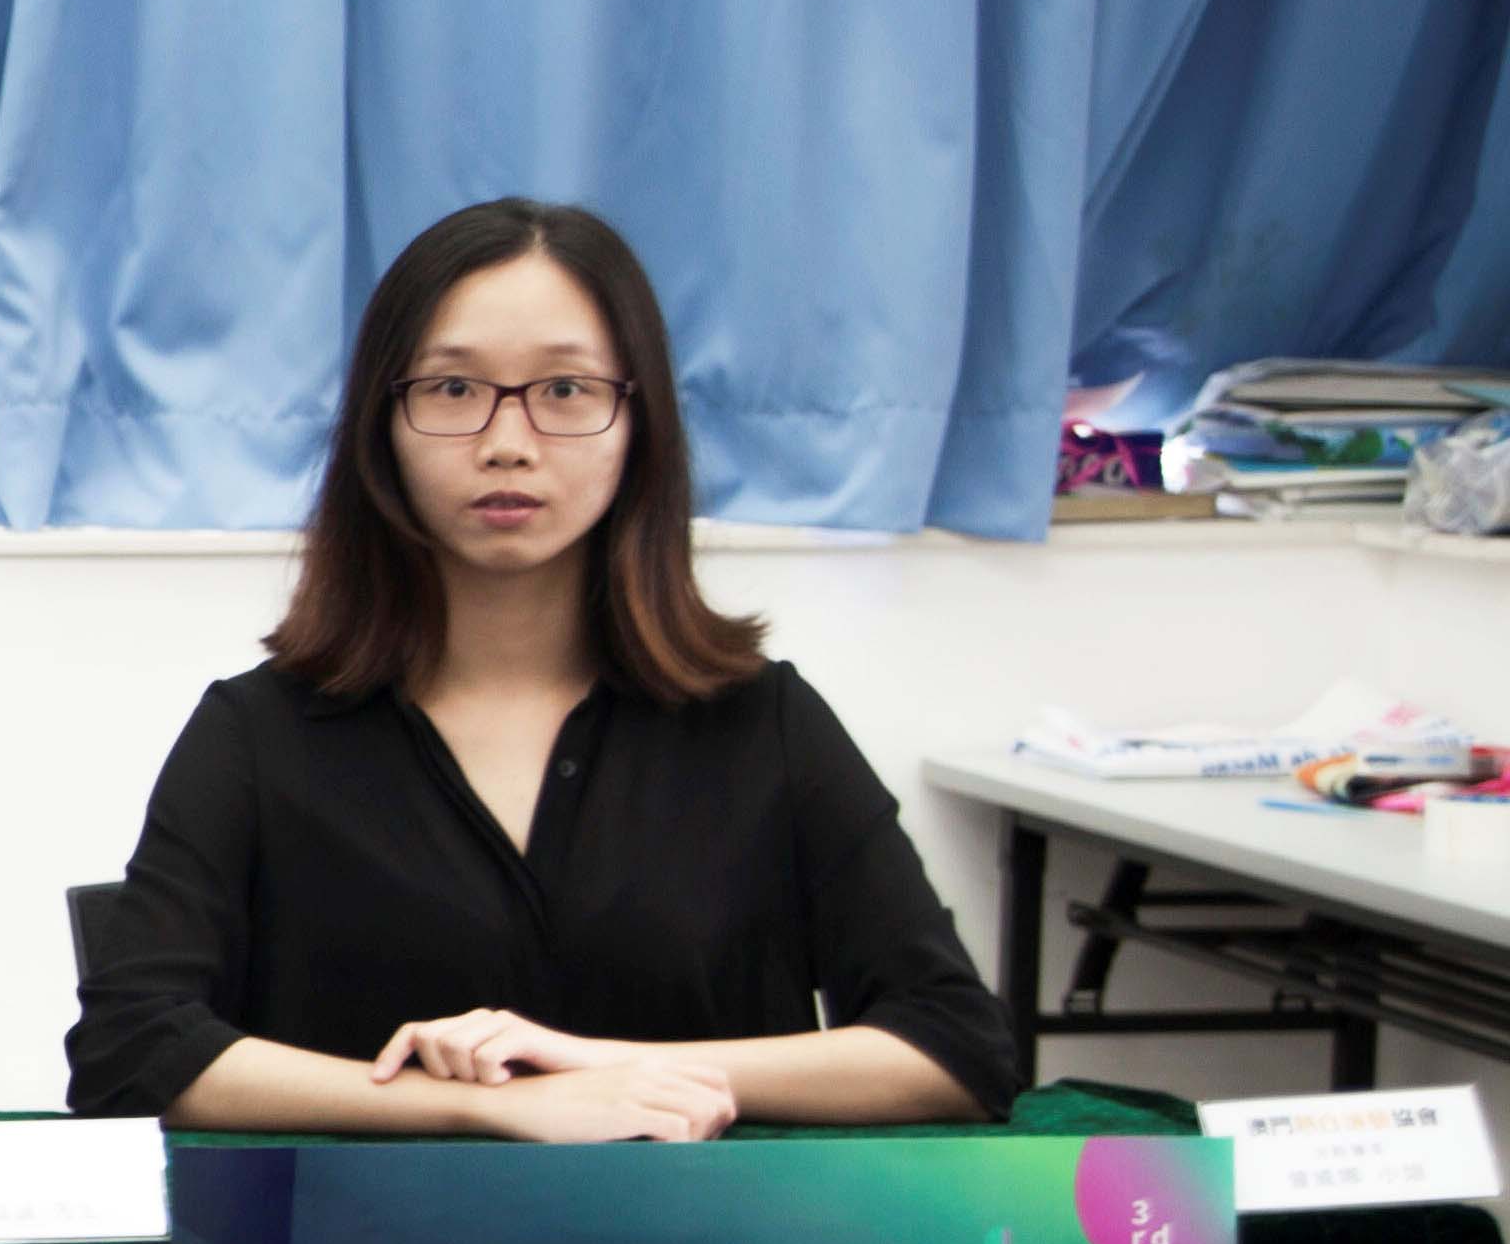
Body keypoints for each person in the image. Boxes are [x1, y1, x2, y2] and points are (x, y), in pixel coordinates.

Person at [67, 199, 1013, 1138]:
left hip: (697, 1234)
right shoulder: (259, 734)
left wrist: (608, 1070)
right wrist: (487, 1107)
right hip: (373, 1235)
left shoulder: (762, 721)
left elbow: (955, 1046)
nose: (508, 443)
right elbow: (129, 1049)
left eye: (565, 389)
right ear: (381, 425)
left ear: (638, 421)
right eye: (452, 389)